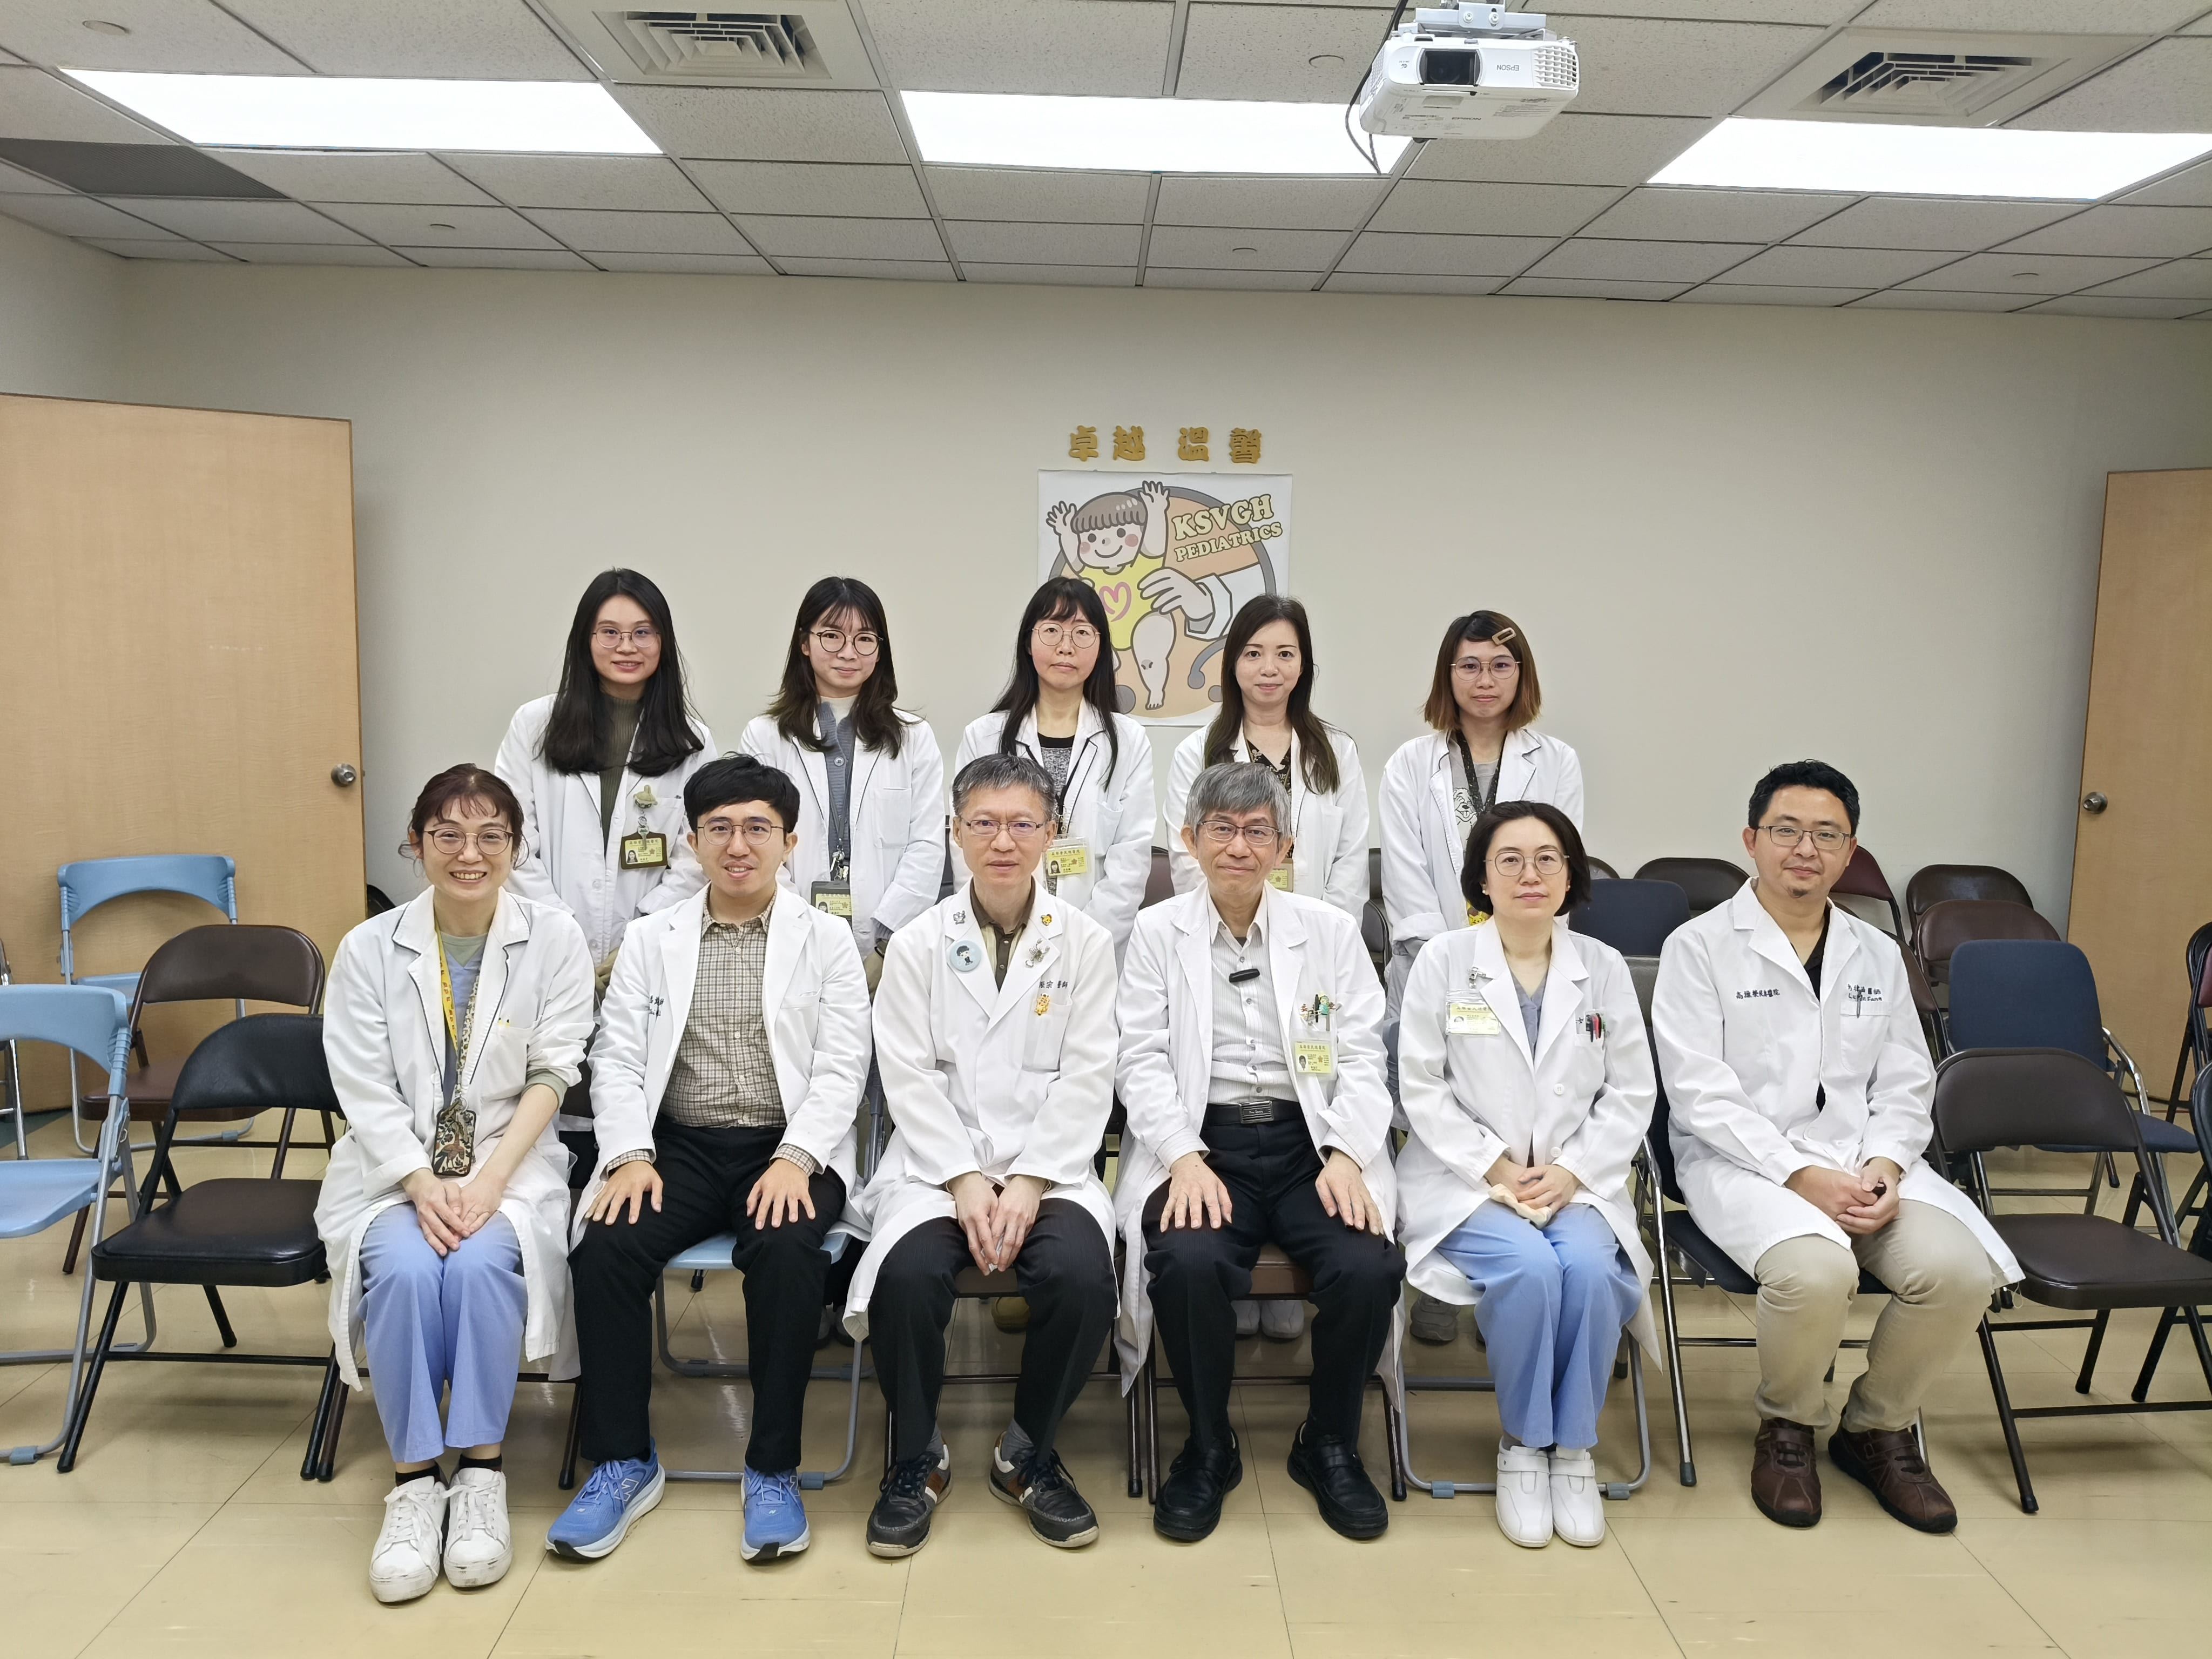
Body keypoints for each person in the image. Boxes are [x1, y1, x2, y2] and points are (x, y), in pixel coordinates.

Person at [1653, 760, 2020, 1534]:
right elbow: (1699, 1092)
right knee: (1815, 1274)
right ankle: (1787, 1425)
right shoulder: (1698, 947)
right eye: (1786, 830)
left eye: (1827, 835)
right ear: (1751, 840)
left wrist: (1885, 1163)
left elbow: (1907, 1080)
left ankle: (1875, 1428)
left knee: (1958, 1273)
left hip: (1863, 1160)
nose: (1805, 849)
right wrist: (1800, 1174)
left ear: (1850, 852)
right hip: (1741, 1163)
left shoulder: (1876, 952)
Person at [550, 754, 871, 1565]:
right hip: (677, 1147)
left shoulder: (828, 940)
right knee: (606, 1249)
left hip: (788, 1144)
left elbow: (844, 1068)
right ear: (691, 842)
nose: (738, 845)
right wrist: (628, 1155)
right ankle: (624, 1461)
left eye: (758, 828)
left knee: (788, 1253)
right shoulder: (650, 939)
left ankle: (772, 1468)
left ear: (790, 842)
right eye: (719, 828)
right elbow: (617, 1060)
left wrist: (798, 1157)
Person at [316, 766, 595, 1604]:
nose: (469, 854)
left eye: (490, 836)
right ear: (417, 843)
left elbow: (554, 1070)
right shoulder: (370, 948)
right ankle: (413, 1484)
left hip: (511, 1162)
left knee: (478, 1267)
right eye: (448, 835)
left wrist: (492, 1180)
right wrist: (418, 1180)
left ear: (515, 846)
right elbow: (361, 1084)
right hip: (392, 1166)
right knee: (403, 1271)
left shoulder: (554, 937)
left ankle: (479, 1474)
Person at [839, 753, 1120, 1558]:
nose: (1004, 841)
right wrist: (965, 1179)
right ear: (954, 832)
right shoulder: (918, 943)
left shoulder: (1086, 942)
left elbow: (1089, 1073)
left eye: (1023, 823)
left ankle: (1026, 1450)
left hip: (1051, 1165)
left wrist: (1028, 1182)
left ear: (1051, 833)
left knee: (1080, 1277)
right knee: (906, 1278)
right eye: (984, 823)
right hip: (938, 1166)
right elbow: (906, 1074)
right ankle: (916, 1457)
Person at [1115, 763, 1404, 1543]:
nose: (1238, 847)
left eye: (1256, 832)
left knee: (1367, 1265)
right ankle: (1209, 1445)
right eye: (1221, 829)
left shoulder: (1330, 932)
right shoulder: (1156, 933)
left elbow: (1364, 1057)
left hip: (1313, 1142)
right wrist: (1182, 1157)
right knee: (1188, 1261)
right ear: (1190, 839)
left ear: (1286, 846)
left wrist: (1346, 1154)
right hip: (1204, 1144)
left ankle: (1329, 1442)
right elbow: (1138, 1060)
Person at [1395, 801, 1656, 1549]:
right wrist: (1496, 1166)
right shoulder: (1444, 961)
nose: (1530, 874)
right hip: (1465, 1180)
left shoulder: (1601, 967)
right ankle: (1522, 1444)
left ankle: (1571, 1451)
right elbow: (1420, 1085)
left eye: (1548, 859)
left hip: (1576, 1182)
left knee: (1592, 1272)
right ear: (1482, 878)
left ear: (1571, 877)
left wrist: (1571, 1171)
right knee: (1531, 1270)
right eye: (1509, 860)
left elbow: (1631, 1091)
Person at [1164, 595, 1368, 1345]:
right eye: (1253, 653)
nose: (1269, 668)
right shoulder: (1198, 749)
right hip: (1220, 941)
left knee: (1301, 1087)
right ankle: (1241, 1268)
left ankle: (1281, 1266)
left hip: (1313, 956)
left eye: (1285, 653)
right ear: (1232, 663)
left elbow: (1349, 863)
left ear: (1304, 663)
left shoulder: (1334, 751)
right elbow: (1189, 860)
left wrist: (1311, 937)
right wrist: (1238, 920)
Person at [1379, 609, 1582, 1346]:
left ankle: (1520, 1257)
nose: (1484, 680)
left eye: (1500, 665)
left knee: (1515, 1104)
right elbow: (1404, 875)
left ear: (1521, 675)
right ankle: (1436, 1264)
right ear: (1448, 675)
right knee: (1432, 1111)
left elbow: (1557, 862)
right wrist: (1455, 963)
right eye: (1468, 665)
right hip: (1432, 964)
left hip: (1527, 960)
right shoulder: (1413, 763)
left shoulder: (1555, 760)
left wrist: (1506, 954)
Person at [494, 569, 714, 1164]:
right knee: (548, 1071)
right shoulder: (535, 725)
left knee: (633, 1076)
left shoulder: (692, 740)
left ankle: (627, 1164)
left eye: (642, 632)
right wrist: (561, 927)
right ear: (584, 639)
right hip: (544, 932)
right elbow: (513, 838)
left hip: (648, 943)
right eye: (609, 632)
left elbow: (697, 852)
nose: (626, 647)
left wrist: (641, 932)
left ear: (663, 642)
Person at [739, 577, 945, 986]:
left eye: (865, 639)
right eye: (832, 636)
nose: (849, 653)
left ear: (880, 650)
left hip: (890, 946)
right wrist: (800, 927)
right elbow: (757, 841)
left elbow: (926, 846)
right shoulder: (765, 736)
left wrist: (887, 944)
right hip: (790, 937)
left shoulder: (914, 737)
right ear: (805, 642)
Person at [955, 578, 1154, 959]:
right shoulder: (984, 736)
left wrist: (1085, 942)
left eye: (1082, 633)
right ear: (1028, 643)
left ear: (1100, 647)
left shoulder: (1128, 741)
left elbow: (1131, 857)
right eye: (1051, 631)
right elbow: (968, 841)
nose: (1066, 646)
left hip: (1096, 942)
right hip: (1000, 936)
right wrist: (991, 928)